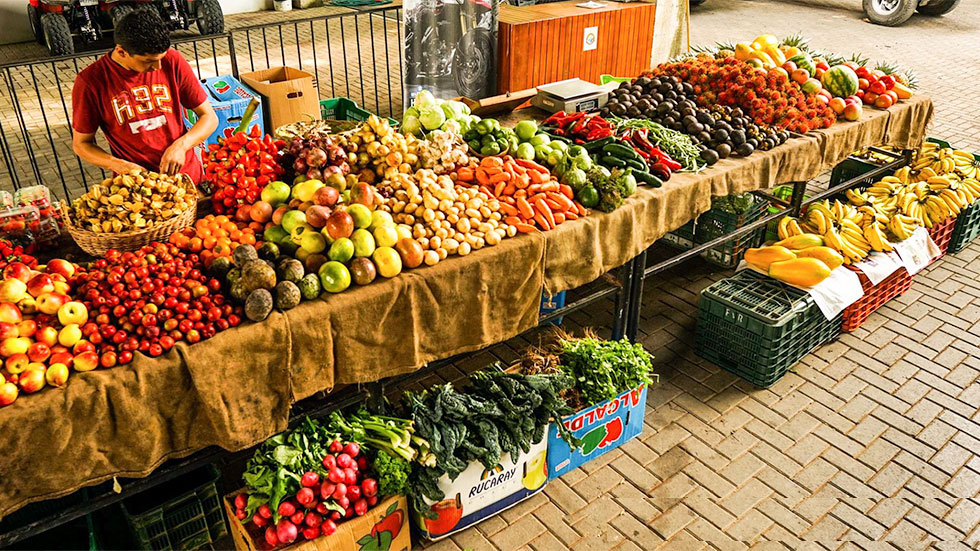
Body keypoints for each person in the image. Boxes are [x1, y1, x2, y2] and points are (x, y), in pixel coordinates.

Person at [71, 9, 218, 184]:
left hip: (186, 178)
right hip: (138, 188)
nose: (157, 67)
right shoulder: (91, 82)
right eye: (148, 61)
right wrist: (118, 165)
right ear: (121, 52)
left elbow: (209, 117)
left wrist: (182, 145)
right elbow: (81, 144)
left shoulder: (172, 61)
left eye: (161, 58)